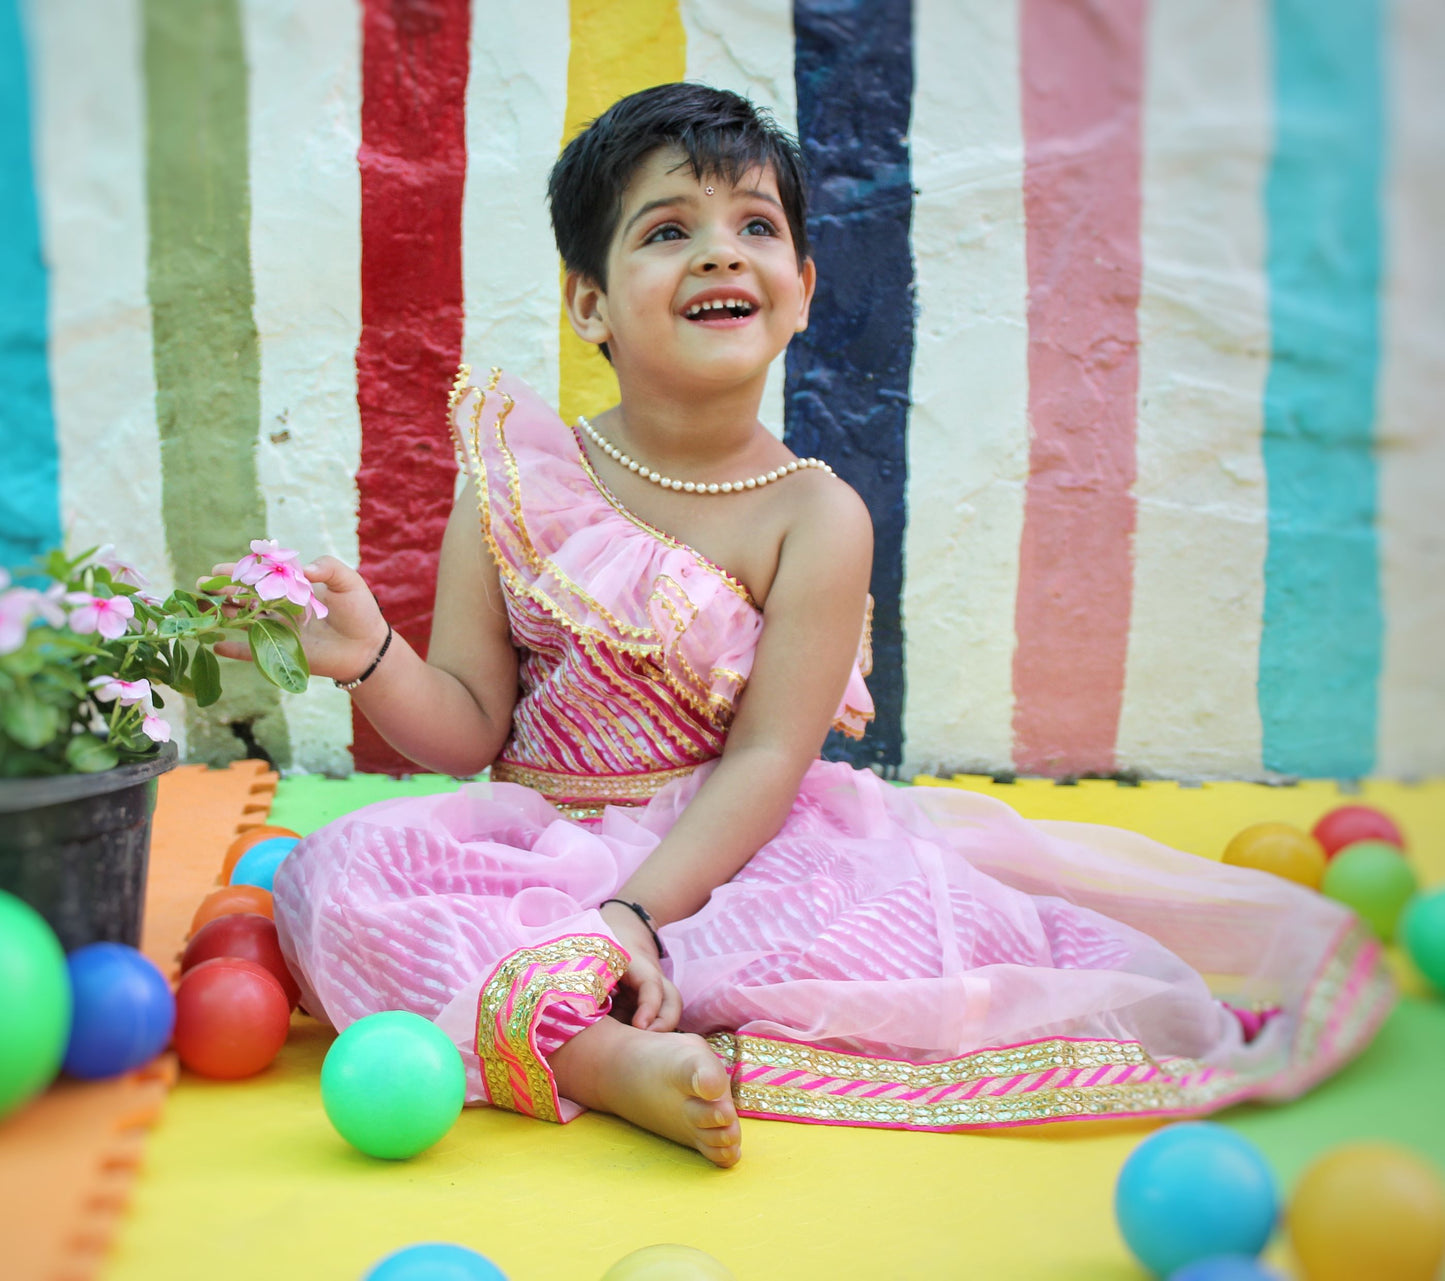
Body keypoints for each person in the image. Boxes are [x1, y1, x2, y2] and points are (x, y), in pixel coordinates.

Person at [219, 85, 1391, 1169]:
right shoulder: (519, 485)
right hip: (536, 838)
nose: (720, 249)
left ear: (801, 288)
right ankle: (604, 1055)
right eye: (666, 229)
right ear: (589, 303)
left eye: (755, 227)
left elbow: (771, 759)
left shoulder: (813, 517)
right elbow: (466, 733)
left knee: (856, 945)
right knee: (337, 877)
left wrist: (630, 910)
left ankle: (599, 1000)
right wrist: (369, 656)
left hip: (733, 848)